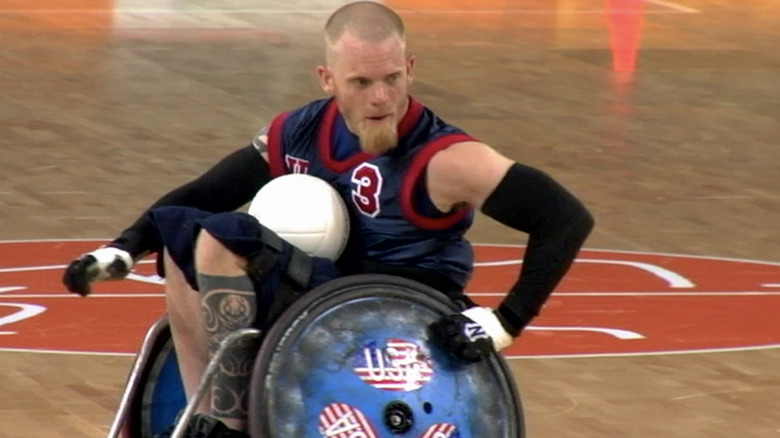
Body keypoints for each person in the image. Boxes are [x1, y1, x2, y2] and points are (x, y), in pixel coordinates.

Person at [62, 2, 594, 437]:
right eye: (361, 82)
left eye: (391, 78)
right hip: (322, 289)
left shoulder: (446, 158)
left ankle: (229, 426)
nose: (381, 97)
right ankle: (207, 415)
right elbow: (207, 192)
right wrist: (124, 248)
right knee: (187, 233)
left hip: (396, 297)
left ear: (410, 68)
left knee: (217, 241)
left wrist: (506, 322)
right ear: (327, 79)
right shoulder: (298, 131)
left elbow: (566, 218)